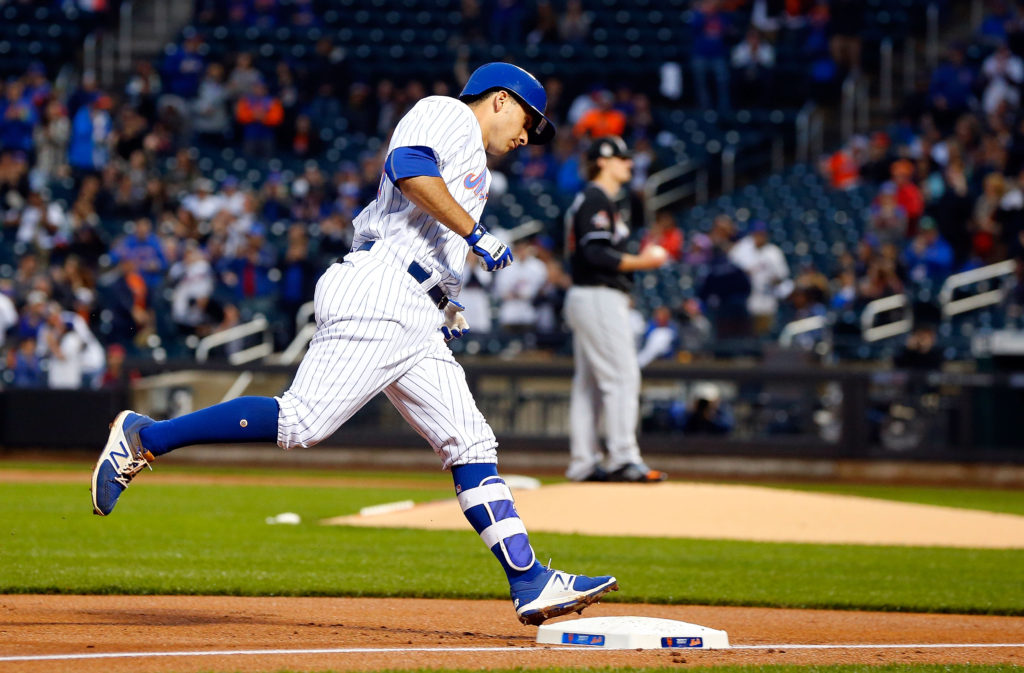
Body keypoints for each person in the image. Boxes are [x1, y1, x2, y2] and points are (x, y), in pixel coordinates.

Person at [90, 62, 617, 627]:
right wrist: (475, 235)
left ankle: (530, 581)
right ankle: (144, 437)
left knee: (471, 442)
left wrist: (446, 295)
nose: (526, 137)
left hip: (416, 310)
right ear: (500, 100)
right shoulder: (447, 113)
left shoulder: (474, 163)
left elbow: (422, 215)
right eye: (528, 121)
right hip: (383, 289)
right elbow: (407, 166)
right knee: (301, 422)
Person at [563, 136, 671, 484]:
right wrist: (644, 261)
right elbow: (595, 254)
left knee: (590, 384)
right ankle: (623, 458)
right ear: (604, 162)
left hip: (590, 295)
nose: (628, 164)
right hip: (597, 294)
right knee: (623, 376)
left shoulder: (599, 200)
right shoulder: (596, 198)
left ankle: (583, 462)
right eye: (623, 159)